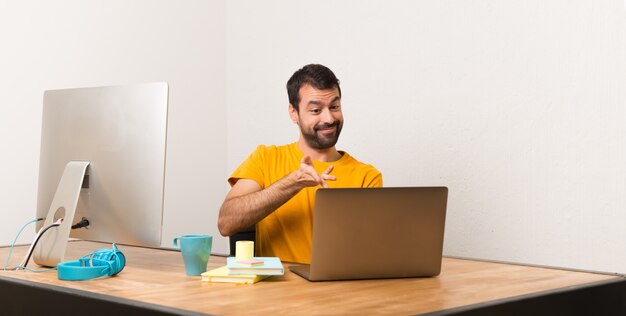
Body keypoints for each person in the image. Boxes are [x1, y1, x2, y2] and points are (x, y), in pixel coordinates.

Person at [218, 64, 382, 264]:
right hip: (277, 292)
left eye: (334, 107)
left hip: (339, 291)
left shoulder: (367, 176)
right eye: (316, 110)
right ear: (293, 113)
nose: (329, 118)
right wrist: (294, 182)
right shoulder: (265, 158)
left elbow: (372, 254)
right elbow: (226, 223)